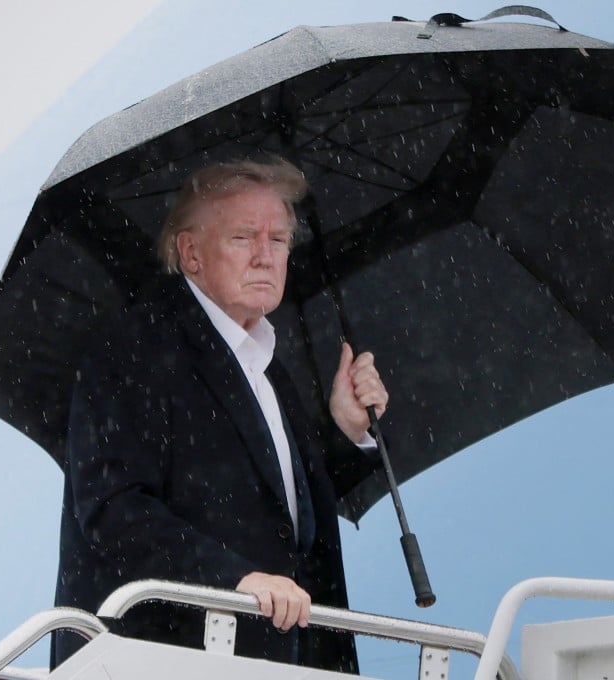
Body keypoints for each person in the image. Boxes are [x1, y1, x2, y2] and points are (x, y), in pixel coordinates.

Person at [53, 156, 388, 673]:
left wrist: (347, 429)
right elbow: (113, 510)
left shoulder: (266, 366)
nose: (265, 256)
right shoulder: (133, 348)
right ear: (191, 253)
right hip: (167, 661)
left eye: (278, 240)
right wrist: (236, 580)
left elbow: (277, 510)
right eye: (242, 238)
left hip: (287, 662)